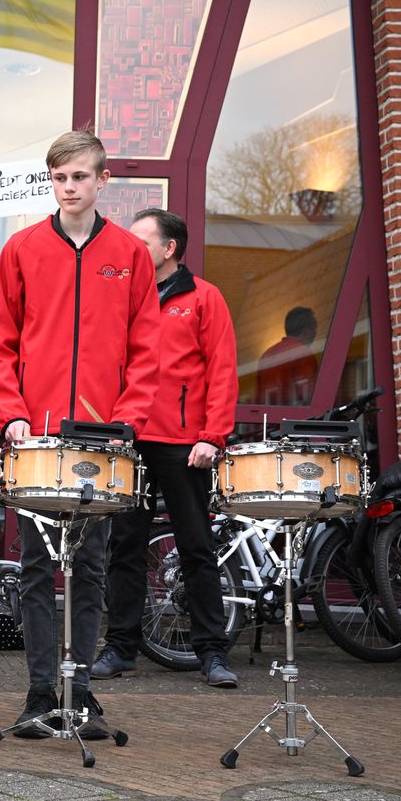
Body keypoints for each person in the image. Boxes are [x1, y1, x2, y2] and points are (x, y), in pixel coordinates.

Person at [0, 130, 160, 739]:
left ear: (102, 180)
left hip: (100, 441)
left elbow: (146, 347)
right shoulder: (22, 248)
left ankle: (79, 691)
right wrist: (12, 412)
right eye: (60, 178)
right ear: (50, 181)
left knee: (90, 565)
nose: (70, 187)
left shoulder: (131, 255)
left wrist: (126, 420)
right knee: (35, 566)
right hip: (36, 439)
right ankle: (37, 693)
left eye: (81, 176)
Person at [92, 208, 240, 688]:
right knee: (124, 547)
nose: (132, 248)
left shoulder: (204, 298)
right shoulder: (123, 294)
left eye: (142, 241)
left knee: (196, 547)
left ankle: (212, 652)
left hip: (183, 443)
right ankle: (120, 648)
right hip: (128, 441)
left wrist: (212, 435)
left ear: (170, 248)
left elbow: (221, 371)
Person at [255, 306, 319, 405]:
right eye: (315, 329)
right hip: (291, 418)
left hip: (267, 418)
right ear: (307, 331)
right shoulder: (303, 354)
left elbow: (258, 400)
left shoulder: (266, 356)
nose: (316, 333)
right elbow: (307, 397)